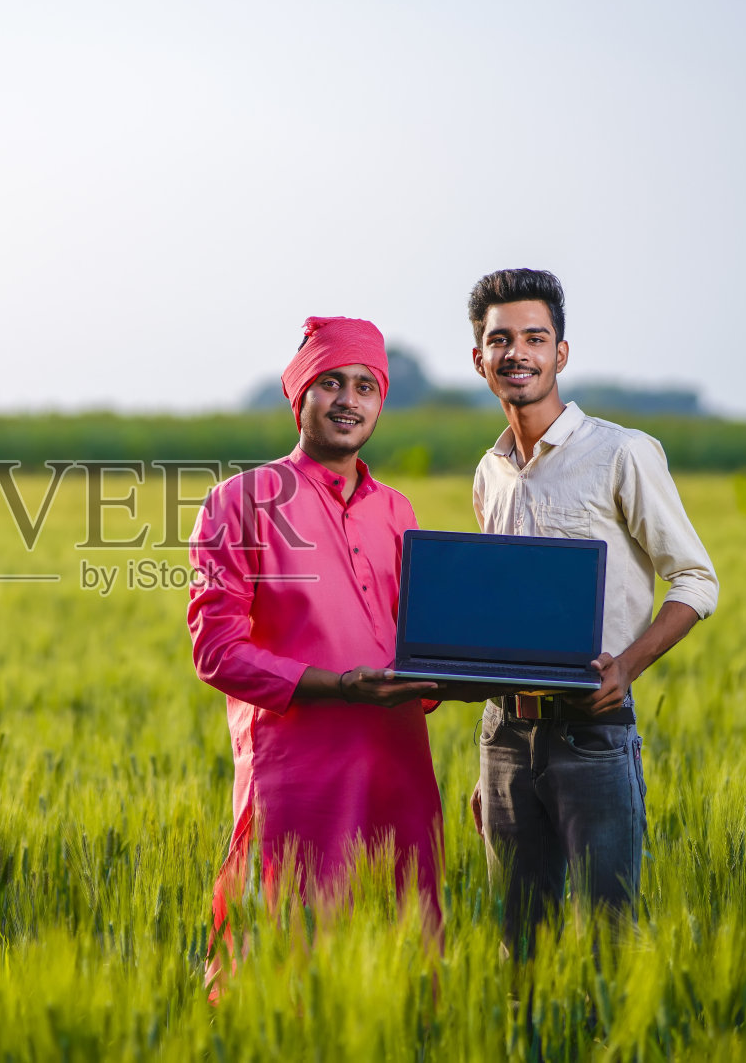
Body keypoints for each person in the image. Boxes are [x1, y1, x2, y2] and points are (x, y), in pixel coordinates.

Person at [187, 315, 485, 995]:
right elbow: (218, 651)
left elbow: (421, 640)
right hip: (295, 780)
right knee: (277, 969)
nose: (349, 399)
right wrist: (343, 686)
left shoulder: (399, 511)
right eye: (331, 382)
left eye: (365, 386)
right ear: (300, 396)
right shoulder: (241, 501)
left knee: (406, 963)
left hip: (398, 770)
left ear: (381, 402)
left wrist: (472, 677)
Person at [464, 268, 719, 958]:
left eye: (535, 338)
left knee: (610, 942)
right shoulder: (488, 473)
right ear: (479, 357)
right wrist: (484, 767)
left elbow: (696, 579)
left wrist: (626, 667)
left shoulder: (621, 452)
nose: (517, 353)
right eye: (501, 340)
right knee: (520, 944)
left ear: (561, 353)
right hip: (505, 737)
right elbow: (498, 612)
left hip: (595, 735)